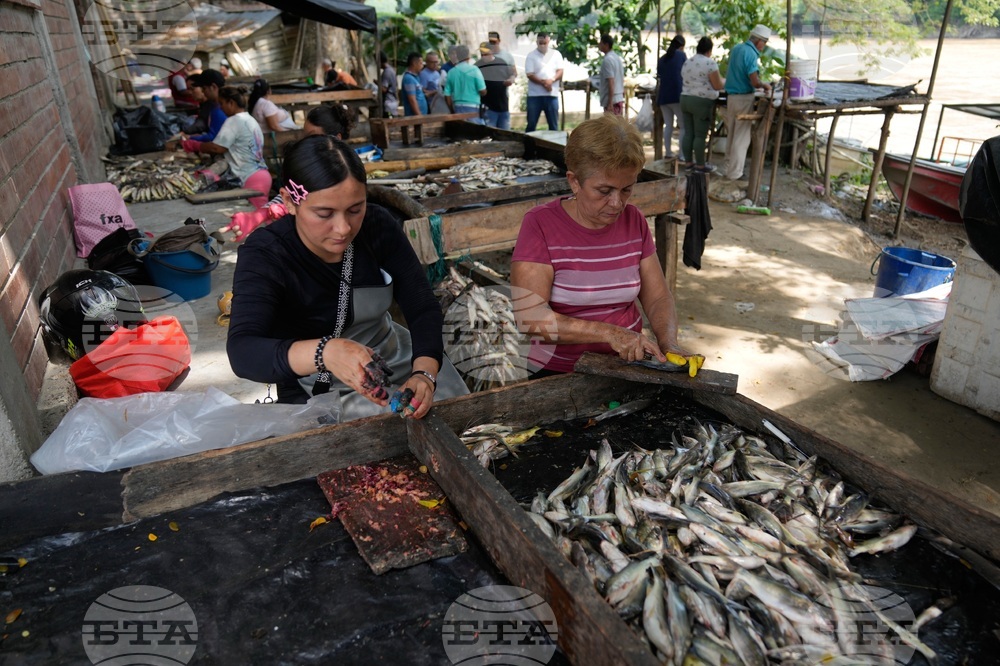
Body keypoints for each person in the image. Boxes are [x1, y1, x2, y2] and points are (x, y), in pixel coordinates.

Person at [226, 135, 469, 417]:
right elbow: (243, 351)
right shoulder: (266, 254)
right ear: (290, 202)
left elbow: (422, 306)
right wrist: (325, 353)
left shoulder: (377, 226)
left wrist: (425, 372)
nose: (343, 228)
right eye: (324, 213)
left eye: (355, 210)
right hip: (315, 382)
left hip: (397, 358)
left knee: (460, 420)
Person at [510, 114, 693, 376]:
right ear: (574, 180)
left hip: (627, 368)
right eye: (604, 191)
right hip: (559, 373)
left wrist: (669, 343)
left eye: (627, 189)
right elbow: (531, 318)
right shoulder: (540, 225)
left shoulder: (634, 221)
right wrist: (609, 333)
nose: (617, 203)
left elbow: (658, 297)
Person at [223, 104, 354, 240]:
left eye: (314, 137)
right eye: (306, 137)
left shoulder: (347, 168)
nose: (307, 143)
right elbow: (294, 192)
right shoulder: (309, 165)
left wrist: (293, 208)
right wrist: (259, 215)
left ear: (336, 138)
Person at [181, 86, 271, 210]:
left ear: (231, 103)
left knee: (255, 221)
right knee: (262, 217)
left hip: (249, 177)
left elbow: (217, 148)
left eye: (222, 104)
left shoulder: (234, 121)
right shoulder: (250, 119)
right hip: (262, 176)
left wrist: (192, 145)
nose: (221, 108)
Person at [723, 24, 773, 182]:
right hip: (744, 98)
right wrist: (763, 85)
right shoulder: (751, 54)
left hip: (731, 97)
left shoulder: (737, 48)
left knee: (731, 134)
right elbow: (754, 81)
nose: (763, 47)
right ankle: (735, 173)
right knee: (741, 137)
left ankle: (728, 168)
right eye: (764, 43)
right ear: (759, 41)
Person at [680, 36, 725, 173]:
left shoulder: (688, 62)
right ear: (709, 50)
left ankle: (688, 163)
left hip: (685, 99)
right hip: (701, 102)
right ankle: (700, 165)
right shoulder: (710, 64)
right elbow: (717, 85)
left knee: (689, 133)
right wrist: (724, 81)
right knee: (700, 135)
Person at [524, 33, 564, 132]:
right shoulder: (531, 55)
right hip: (535, 96)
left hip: (552, 95)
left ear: (548, 41)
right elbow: (530, 74)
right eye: (540, 43)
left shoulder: (556, 54)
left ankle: (553, 146)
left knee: (553, 126)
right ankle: (529, 146)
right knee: (531, 124)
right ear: (537, 42)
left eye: (544, 43)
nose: (542, 45)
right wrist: (545, 83)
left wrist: (552, 80)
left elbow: (560, 71)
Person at [177, 68, 228, 144]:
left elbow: (213, 137)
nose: (203, 91)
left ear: (213, 87)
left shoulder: (219, 108)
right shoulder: (218, 105)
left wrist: (189, 137)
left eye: (204, 88)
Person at [657, 35, 687, 161]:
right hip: (677, 95)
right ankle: (682, 154)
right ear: (682, 46)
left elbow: (659, 75)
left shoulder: (662, 59)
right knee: (683, 126)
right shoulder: (681, 55)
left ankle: (668, 153)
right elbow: (686, 73)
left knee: (668, 125)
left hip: (663, 96)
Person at [443, 45, 486, 123]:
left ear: (457, 56)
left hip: (457, 107)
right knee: (477, 133)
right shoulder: (474, 70)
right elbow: (482, 90)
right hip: (473, 108)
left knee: (461, 133)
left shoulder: (451, 72)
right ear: (468, 55)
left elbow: (447, 95)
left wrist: (452, 110)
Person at [475, 43, 512, 130]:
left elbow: (511, 74)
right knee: (490, 134)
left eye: (486, 54)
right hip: (488, 107)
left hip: (503, 105)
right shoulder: (477, 66)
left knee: (505, 134)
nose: (483, 56)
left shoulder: (501, 62)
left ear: (492, 52)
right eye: (482, 54)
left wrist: (511, 79)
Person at [597, 34, 625, 116]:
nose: (599, 45)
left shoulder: (608, 60)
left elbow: (611, 81)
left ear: (606, 45)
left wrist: (610, 103)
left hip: (613, 100)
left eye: (601, 43)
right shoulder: (617, 58)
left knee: (612, 126)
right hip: (618, 97)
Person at [379, 53, 399, 117]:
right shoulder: (391, 69)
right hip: (392, 102)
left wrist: (377, 83)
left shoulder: (387, 72)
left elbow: (384, 89)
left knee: (389, 120)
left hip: (389, 104)